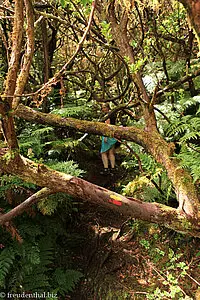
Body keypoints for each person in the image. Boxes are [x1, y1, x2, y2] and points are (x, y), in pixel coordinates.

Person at [100, 103, 117, 175]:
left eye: (104, 107)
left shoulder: (108, 115)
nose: (103, 109)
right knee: (111, 152)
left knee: (103, 152)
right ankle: (113, 168)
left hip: (107, 135)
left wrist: (106, 136)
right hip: (113, 135)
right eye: (102, 108)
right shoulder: (113, 114)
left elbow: (107, 126)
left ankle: (106, 169)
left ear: (107, 107)